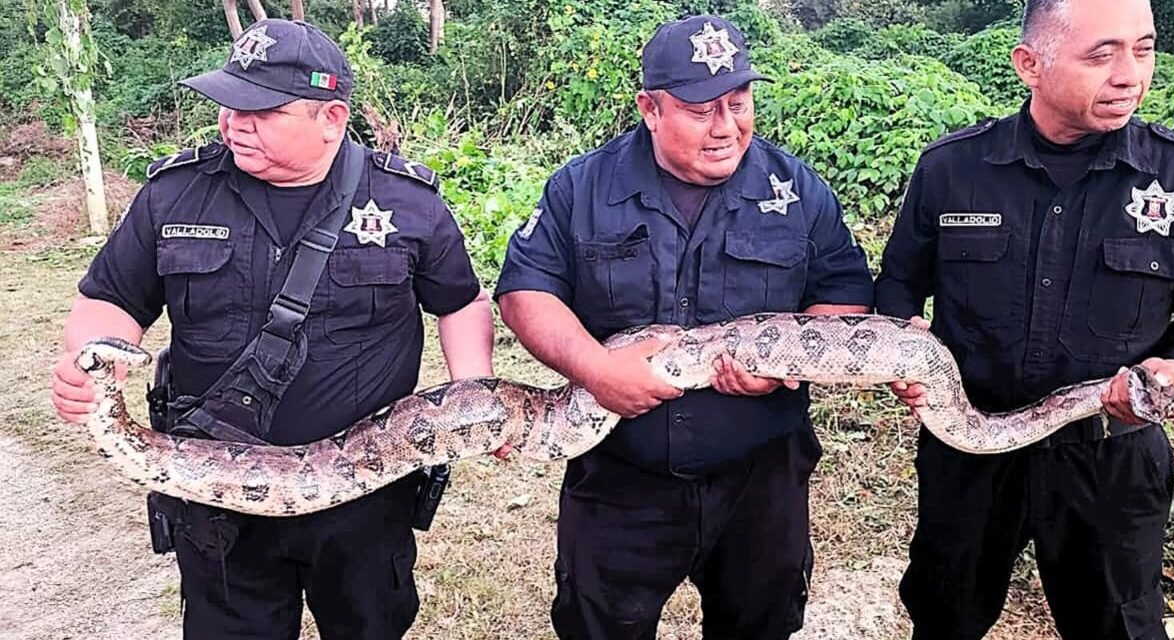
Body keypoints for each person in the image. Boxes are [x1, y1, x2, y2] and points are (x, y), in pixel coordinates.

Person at [48, 18, 495, 640]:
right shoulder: (175, 194)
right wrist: (87, 359)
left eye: (261, 110)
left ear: (331, 119)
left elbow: (460, 302)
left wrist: (471, 395)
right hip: (217, 489)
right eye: (229, 104)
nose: (234, 123)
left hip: (365, 491)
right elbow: (108, 300)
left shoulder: (408, 202)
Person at [874, 1, 1174, 638]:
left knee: (1117, 623)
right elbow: (899, 284)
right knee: (945, 612)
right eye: (1101, 53)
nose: (1130, 74)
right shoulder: (953, 170)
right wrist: (902, 337)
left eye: (1144, 48)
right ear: (1029, 64)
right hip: (971, 450)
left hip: (1110, 459)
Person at [494, 14, 875, 640]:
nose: (727, 127)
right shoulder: (583, 187)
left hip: (761, 474)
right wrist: (597, 370)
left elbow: (844, 295)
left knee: (761, 623)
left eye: (739, 101)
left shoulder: (797, 190)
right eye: (702, 110)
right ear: (650, 107)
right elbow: (525, 291)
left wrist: (787, 367)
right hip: (621, 472)